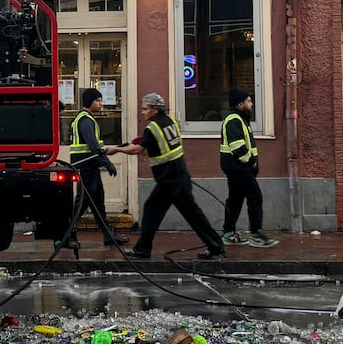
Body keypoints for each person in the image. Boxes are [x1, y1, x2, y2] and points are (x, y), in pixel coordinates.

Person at [132, 92, 226, 260]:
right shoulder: (171, 122)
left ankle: (143, 249)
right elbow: (163, 147)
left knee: (151, 210)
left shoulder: (152, 128)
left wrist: (114, 149)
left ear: (154, 109)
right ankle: (216, 246)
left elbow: (138, 150)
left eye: (145, 109)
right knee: (193, 214)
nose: (142, 112)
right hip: (181, 174)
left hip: (168, 179)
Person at [68, 88, 135, 247]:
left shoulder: (87, 119)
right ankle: (66, 234)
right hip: (86, 167)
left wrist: (103, 160)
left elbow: (94, 146)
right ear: (89, 102)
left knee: (98, 202)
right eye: (98, 101)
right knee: (82, 203)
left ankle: (107, 235)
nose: (101, 104)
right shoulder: (85, 120)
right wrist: (106, 162)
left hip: (90, 167)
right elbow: (93, 145)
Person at [220, 88, 278, 247]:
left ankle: (228, 233)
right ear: (240, 104)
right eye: (249, 101)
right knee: (255, 196)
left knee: (235, 200)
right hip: (238, 167)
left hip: (236, 167)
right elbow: (237, 146)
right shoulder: (234, 120)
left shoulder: (241, 119)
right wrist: (251, 161)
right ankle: (256, 234)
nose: (251, 104)